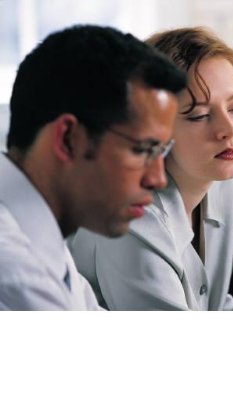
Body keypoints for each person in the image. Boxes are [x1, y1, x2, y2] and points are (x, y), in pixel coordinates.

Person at [0, 25, 186, 310]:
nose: (158, 178)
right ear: (68, 139)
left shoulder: (45, 244)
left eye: (162, 152)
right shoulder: (15, 274)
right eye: (142, 150)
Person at [69, 27, 233, 310]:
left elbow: (214, 304)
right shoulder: (131, 216)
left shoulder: (223, 178)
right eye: (199, 115)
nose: (228, 129)